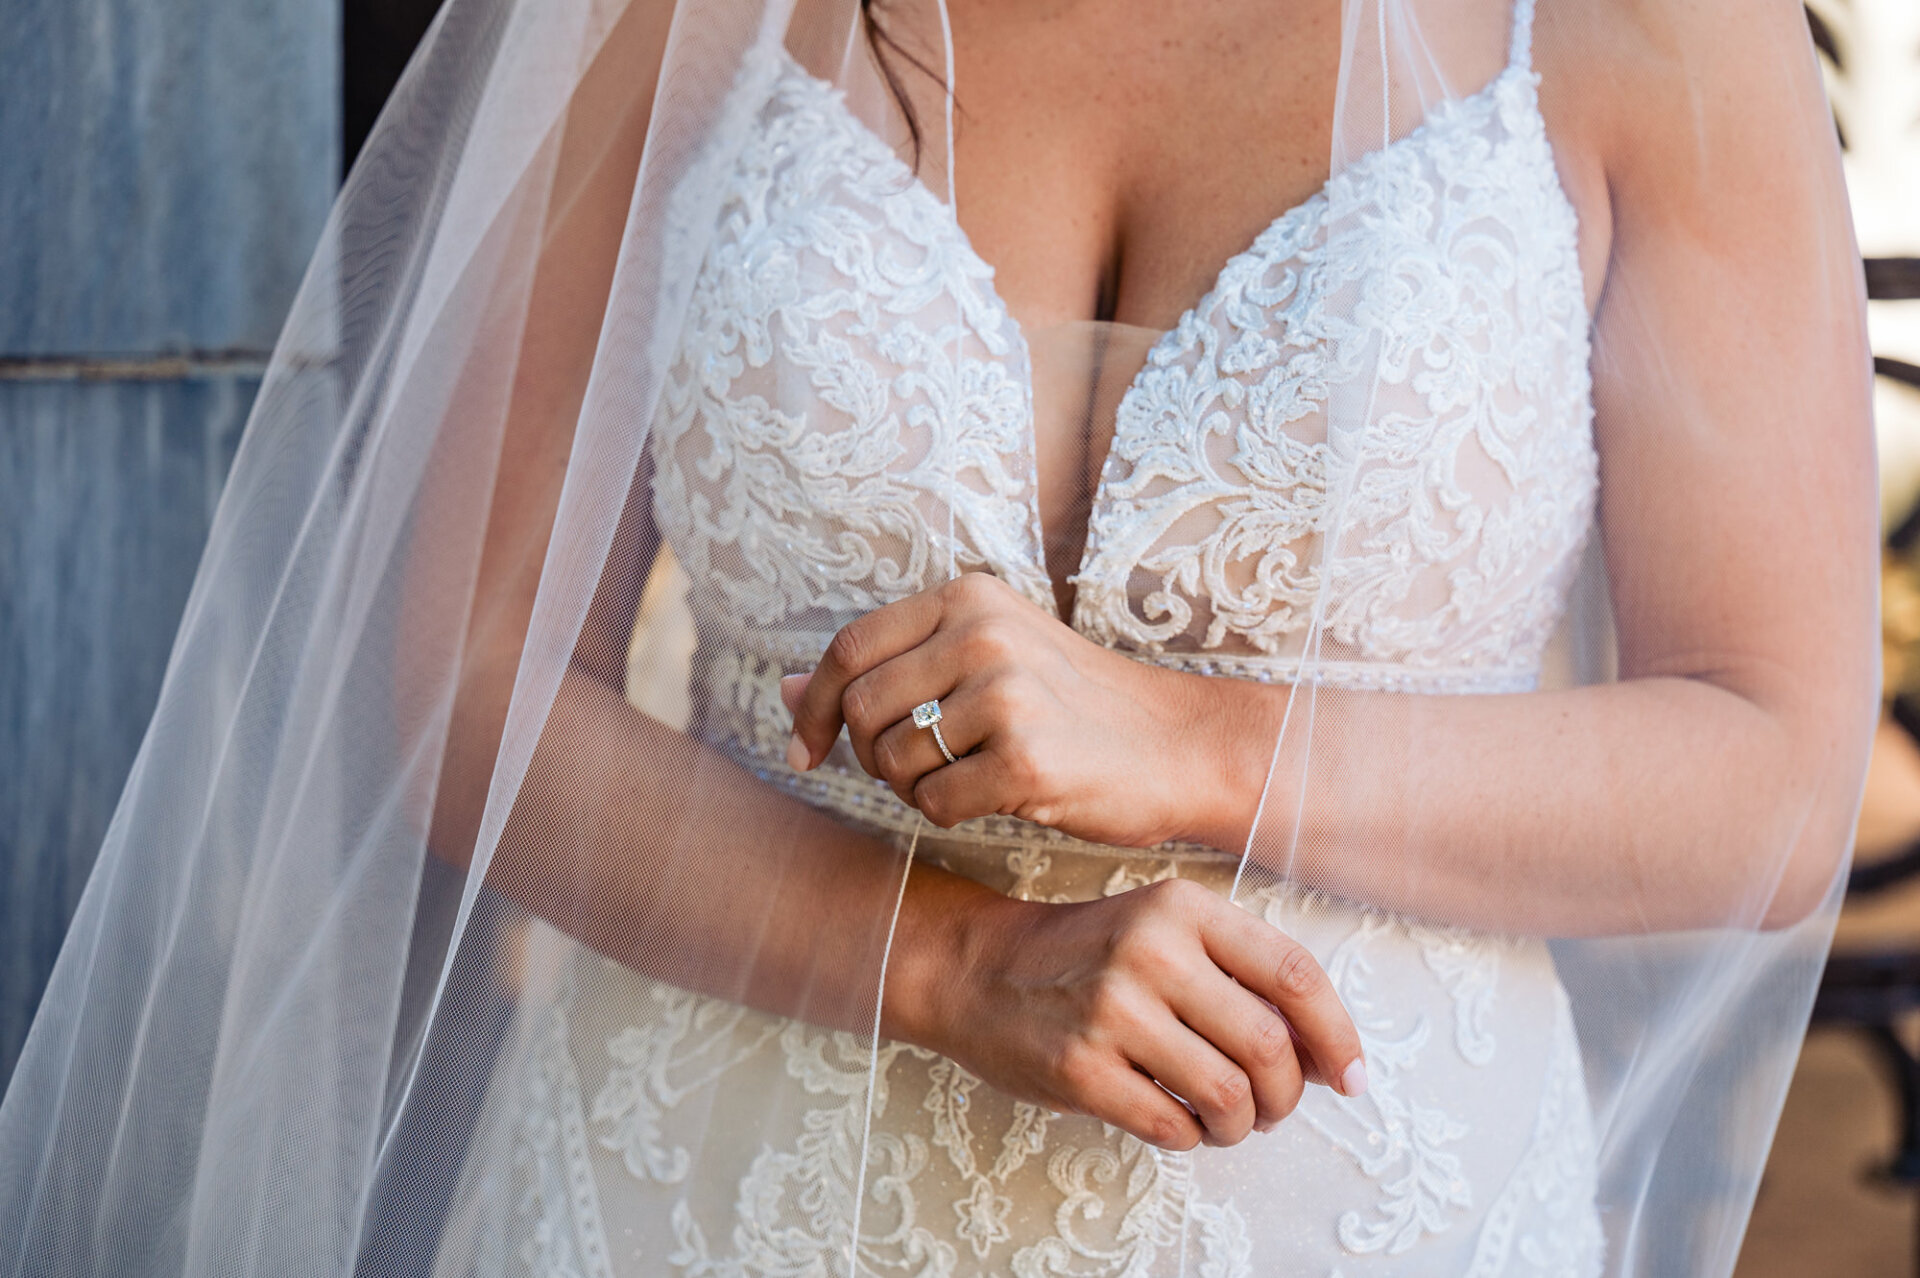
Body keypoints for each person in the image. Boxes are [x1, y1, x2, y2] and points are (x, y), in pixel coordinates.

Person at [0, 1, 1877, 1275]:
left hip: (1353, 1209)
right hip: (713, 1188)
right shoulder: (675, 11)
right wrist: (945, 961)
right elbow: (466, 680)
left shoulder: (1645, 30)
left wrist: (1193, 745)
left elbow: (1778, 763)